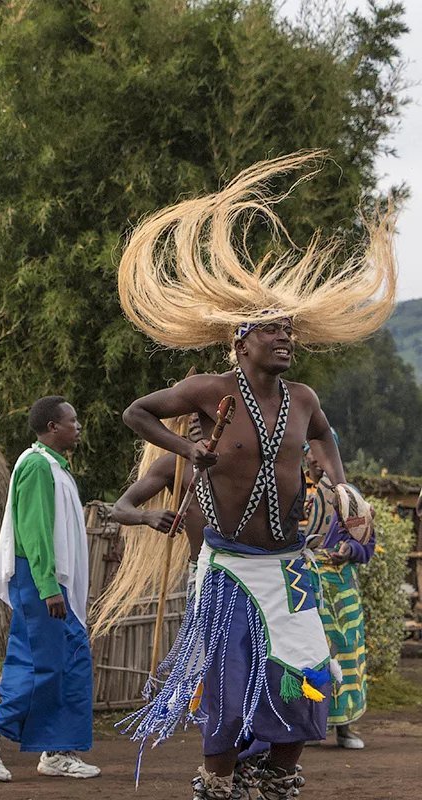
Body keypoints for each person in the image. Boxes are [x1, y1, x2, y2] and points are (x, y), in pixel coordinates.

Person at [115, 152, 395, 800]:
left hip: (291, 566)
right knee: (233, 680)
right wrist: (187, 457)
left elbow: (324, 438)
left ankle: (277, 773)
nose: (285, 336)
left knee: (307, 674)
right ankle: (217, 780)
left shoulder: (302, 400)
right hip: (232, 566)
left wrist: (338, 483)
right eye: (272, 328)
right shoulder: (211, 390)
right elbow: (137, 413)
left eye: (289, 328)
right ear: (241, 339)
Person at [0, 396, 99, 782]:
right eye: (73, 420)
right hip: (41, 580)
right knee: (42, 664)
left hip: (52, 583)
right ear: (53, 427)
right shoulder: (37, 466)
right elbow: (34, 531)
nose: (78, 426)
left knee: (72, 660)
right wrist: (48, 586)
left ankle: (57, 751)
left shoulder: (55, 467)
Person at [94, 414, 204, 641]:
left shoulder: (243, 459)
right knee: (204, 655)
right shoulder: (175, 464)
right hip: (205, 569)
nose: (196, 420)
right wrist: (147, 516)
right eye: (191, 415)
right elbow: (120, 508)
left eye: (202, 413)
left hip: (251, 564)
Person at [302, 441, 373, 750]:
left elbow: (367, 544)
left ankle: (346, 727)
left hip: (340, 585)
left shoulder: (348, 496)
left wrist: (350, 549)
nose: (317, 462)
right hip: (301, 583)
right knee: (309, 651)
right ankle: (311, 725)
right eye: (310, 456)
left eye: (321, 456)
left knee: (346, 649)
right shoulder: (292, 488)